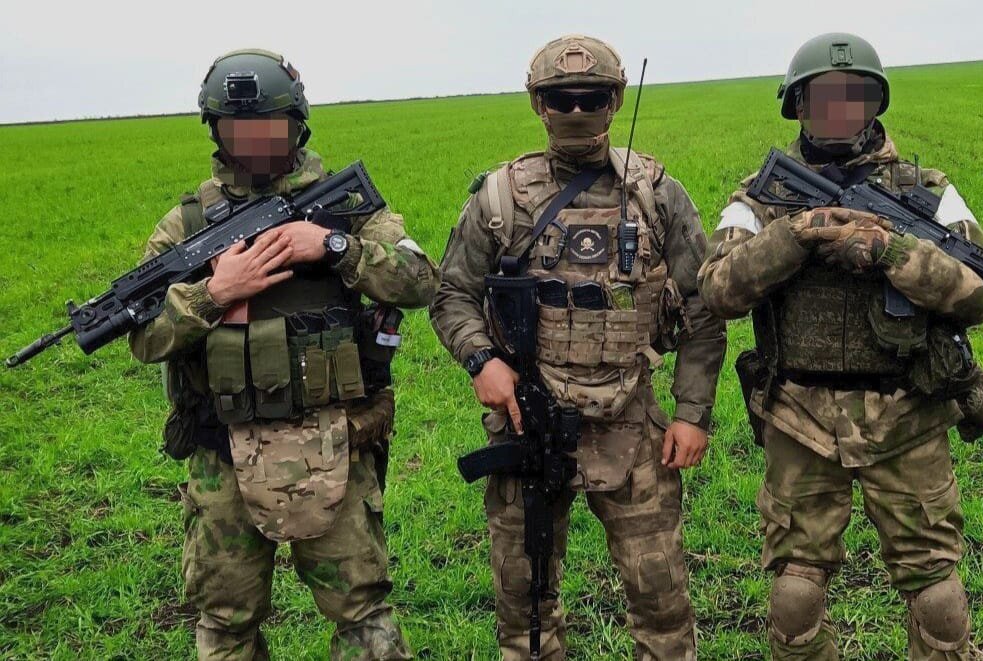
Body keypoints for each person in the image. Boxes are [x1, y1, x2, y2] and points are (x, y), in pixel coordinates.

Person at [128, 48, 439, 660]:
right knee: (225, 623)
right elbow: (144, 337)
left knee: (363, 615)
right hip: (223, 450)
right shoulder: (187, 226)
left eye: (268, 127)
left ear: (296, 124)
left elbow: (421, 280)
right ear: (215, 131)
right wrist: (216, 292)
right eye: (237, 129)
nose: (254, 142)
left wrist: (333, 245)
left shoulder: (342, 206)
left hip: (335, 441)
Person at [698, 32, 983, 661]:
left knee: (938, 596)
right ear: (798, 106)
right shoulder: (760, 196)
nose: (840, 110)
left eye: (854, 95)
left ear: (875, 103)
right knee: (795, 594)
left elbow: (979, 297)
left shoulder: (928, 193)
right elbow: (717, 289)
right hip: (799, 414)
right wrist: (797, 235)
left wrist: (892, 252)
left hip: (909, 411)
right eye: (825, 97)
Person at [430, 34, 726, 660]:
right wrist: (483, 361)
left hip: (632, 422)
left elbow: (703, 306)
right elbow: (451, 293)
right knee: (525, 607)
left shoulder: (655, 193)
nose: (575, 110)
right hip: (528, 420)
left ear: (615, 100)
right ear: (537, 104)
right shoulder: (501, 197)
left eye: (590, 97)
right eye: (560, 98)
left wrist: (692, 413)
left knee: (661, 600)